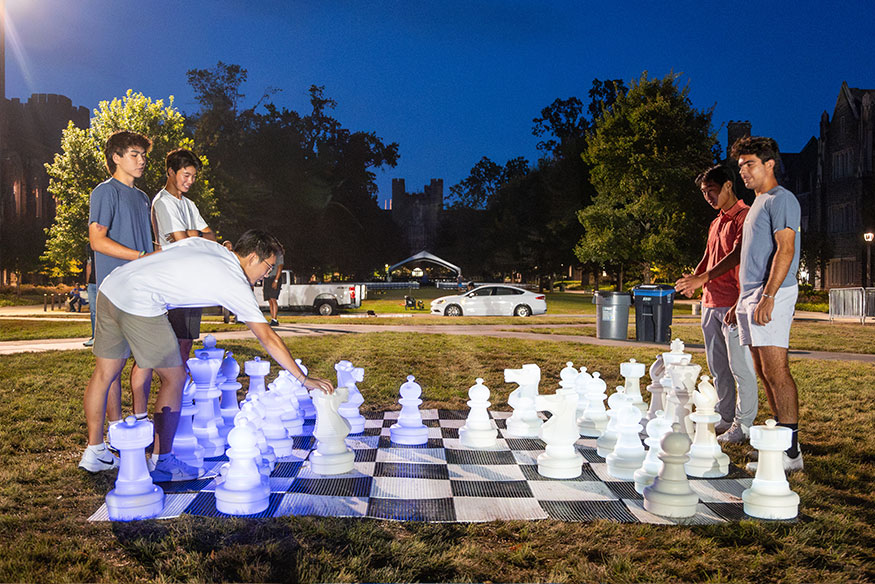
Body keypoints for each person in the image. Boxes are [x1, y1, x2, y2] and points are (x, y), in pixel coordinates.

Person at [80, 230, 334, 481]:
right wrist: (303, 379)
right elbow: (268, 337)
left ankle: (95, 452)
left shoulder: (210, 247)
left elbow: (164, 254)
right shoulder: (234, 281)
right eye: (268, 267)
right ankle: (162, 462)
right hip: (140, 301)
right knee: (175, 379)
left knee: (105, 373)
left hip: (112, 286)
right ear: (253, 257)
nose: (267, 275)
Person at [79, 130, 154, 473]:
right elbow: (97, 241)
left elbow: (147, 246)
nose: (141, 160)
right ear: (117, 157)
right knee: (107, 370)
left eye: (143, 155)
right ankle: (95, 448)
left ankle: (118, 434)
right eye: (135, 154)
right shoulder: (104, 192)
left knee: (132, 365)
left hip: (141, 293)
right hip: (113, 292)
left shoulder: (142, 198)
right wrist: (139, 256)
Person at [730, 136, 803, 472]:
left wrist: (769, 295)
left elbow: (785, 249)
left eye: (750, 164)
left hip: (772, 293)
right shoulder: (758, 201)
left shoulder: (781, 199)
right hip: (752, 296)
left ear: (769, 164)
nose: (743, 171)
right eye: (741, 165)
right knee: (763, 371)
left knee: (777, 370)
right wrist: (741, 300)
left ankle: (790, 452)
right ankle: (778, 444)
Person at [675, 165, 758, 444]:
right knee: (718, 368)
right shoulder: (716, 222)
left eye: (711, 191)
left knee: (740, 369)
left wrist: (703, 278)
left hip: (734, 303)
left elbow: (736, 255)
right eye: (703, 193)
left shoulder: (745, 218)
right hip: (710, 303)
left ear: (728, 186)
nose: (707, 197)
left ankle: (743, 424)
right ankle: (724, 417)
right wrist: (694, 279)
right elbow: (708, 256)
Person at [150, 148, 215, 372]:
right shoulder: (163, 202)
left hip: (191, 282)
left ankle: (181, 387)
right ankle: (173, 388)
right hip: (173, 281)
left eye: (193, 176)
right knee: (175, 343)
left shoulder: (189, 204)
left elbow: (211, 236)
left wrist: (192, 234)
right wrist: (193, 234)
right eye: (186, 175)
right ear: (170, 172)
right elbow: (180, 241)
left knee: (187, 341)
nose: (190, 181)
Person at [262, 251, 284, 326]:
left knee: (273, 298)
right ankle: (272, 319)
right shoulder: (267, 255)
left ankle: (275, 319)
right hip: (267, 278)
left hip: (274, 278)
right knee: (269, 299)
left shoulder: (278, 255)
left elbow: (280, 267)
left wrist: (276, 280)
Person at [83, 243, 96, 347]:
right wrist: (87, 284)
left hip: (100, 282)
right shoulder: (90, 246)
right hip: (93, 283)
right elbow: (89, 264)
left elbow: (89, 265)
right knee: (94, 312)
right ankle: (94, 337)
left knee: (95, 312)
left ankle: (95, 337)